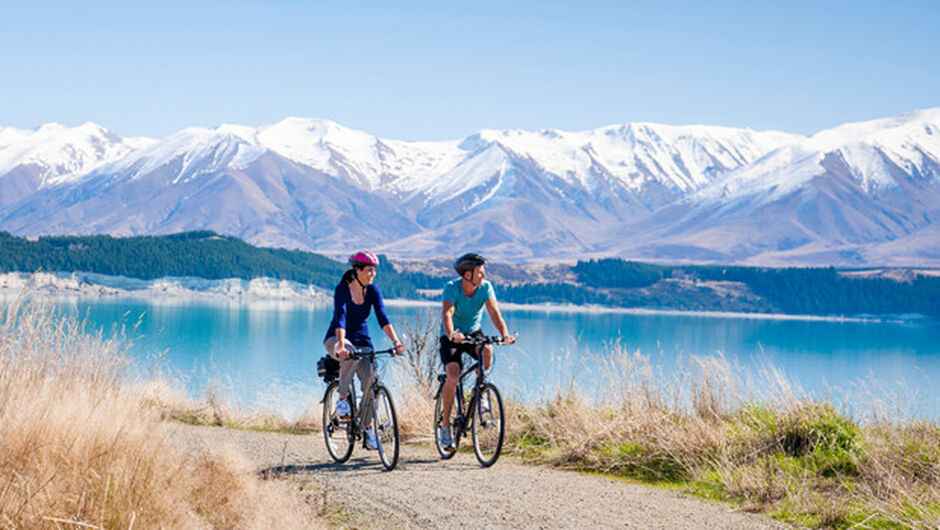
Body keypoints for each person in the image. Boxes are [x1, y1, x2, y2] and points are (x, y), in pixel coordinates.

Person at [324, 250, 406, 449]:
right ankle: (342, 399)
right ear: (357, 271)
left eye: (374, 271)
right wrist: (342, 344)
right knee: (349, 354)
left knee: (371, 381)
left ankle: (368, 427)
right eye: (369, 270)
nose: (373, 274)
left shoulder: (373, 291)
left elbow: (382, 318)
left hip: (363, 340)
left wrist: (395, 341)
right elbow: (341, 316)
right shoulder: (342, 289)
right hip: (336, 337)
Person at [438, 252, 516, 452]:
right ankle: (445, 427)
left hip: (473, 333)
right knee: (453, 376)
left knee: (487, 349)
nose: (484, 276)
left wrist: (505, 334)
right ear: (467, 275)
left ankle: (480, 390)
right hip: (453, 336)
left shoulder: (486, 287)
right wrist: (452, 334)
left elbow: (493, 312)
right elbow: (447, 313)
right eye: (480, 272)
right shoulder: (451, 287)